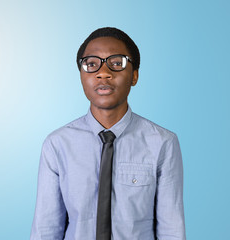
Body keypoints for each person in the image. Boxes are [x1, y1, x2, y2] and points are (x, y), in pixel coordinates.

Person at [30, 27, 185, 240]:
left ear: (134, 76)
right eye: (91, 64)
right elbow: (46, 229)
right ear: (82, 76)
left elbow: (171, 230)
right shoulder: (57, 144)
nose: (103, 73)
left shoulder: (162, 143)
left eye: (116, 63)